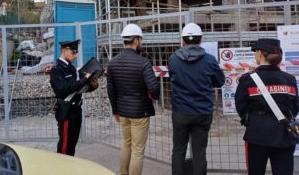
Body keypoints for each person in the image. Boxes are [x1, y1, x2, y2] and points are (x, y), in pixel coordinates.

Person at [235, 38, 299, 175]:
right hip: (284, 134)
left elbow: (241, 107)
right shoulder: (290, 80)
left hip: (257, 135)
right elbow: (294, 108)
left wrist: (255, 119)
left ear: (259, 54)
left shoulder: (248, 80)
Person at [168, 22, 225, 175]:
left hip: (181, 112)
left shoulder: (173, 59)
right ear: (200, 40)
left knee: (178, 150)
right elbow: (220, 81)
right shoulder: (209, 60)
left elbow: (172, 78)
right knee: (199, 152)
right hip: (202, 112)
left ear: (182, 40)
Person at [107, 24, 160, 175]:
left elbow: (111, 90)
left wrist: (115, 110)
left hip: (123, 112)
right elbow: (155, 89)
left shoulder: (113, 63)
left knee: (126, 144)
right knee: (137, 150)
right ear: (136, 40)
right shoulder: (143, 63)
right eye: (140, 39)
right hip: (140, 112)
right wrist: (153, 95)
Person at [49, 39, 98, 156]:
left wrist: (93, 85)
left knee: (72, 147)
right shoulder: (56, 70)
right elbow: (64, 89)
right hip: (66, 112)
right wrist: (84, 79)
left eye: (76, 53)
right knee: (65, 148)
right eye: (73, 52)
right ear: (65, 51)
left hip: (76, 111)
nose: (76, 56)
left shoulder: (72, 68)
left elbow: (81, 88)